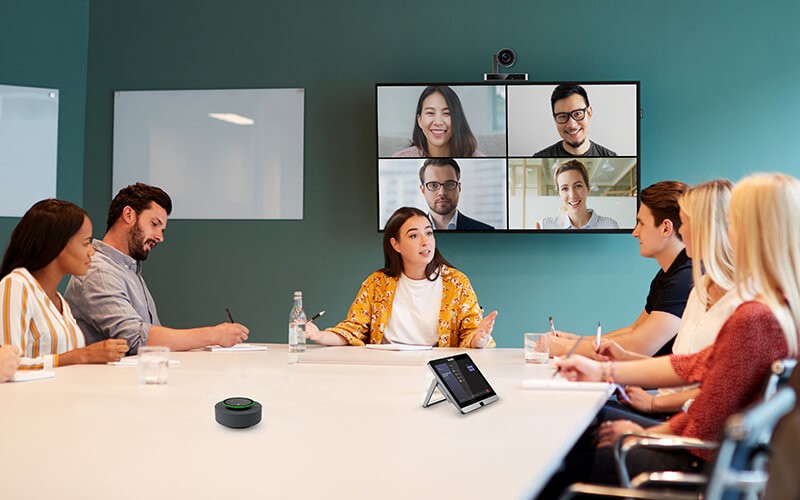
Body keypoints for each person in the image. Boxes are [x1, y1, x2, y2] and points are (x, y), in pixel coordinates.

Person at [537, 173, 800, 498]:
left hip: (693, 461)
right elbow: (693, 365)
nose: (726, 231)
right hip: (701, 455)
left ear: (753, 232)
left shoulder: (755, 319)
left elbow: (705, 419)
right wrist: (604, 370)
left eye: (733, 222)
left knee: (555, 467)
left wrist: (640, 434)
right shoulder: (778, 309)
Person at [599, 180, 742, 418]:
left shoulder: (737, 304)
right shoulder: (699, 290)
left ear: (706, 228)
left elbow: (717, 389)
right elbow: (685, 367)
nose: (681, 231)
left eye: (684, 223)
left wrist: (653, 403)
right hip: (671, 411)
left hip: (680, 420)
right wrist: (623, 359)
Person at [65, 183, 249, 354]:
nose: (160, 237)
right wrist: (214, 335)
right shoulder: (100, 273)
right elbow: (136, 340)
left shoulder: (128, 269)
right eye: (154, 224)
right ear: (128, 215)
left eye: (162, 229)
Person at [306, 206, 497, 347]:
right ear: (395, 244)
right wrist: (319, 335)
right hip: (386, 368)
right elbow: (353, 330)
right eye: (414, 236)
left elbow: (472, 335)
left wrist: (479, 339)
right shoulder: (377, 283)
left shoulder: (456, 282)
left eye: (429, 233)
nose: (425, 241)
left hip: (436, 368)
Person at [550, 181, 692, 358]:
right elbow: (634, 330)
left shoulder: (684, 278)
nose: (635, 232)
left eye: (641, 223)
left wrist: (565, 348)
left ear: (666, 228)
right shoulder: (668, 274)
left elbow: (639, 346)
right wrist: (574, 340)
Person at [0, 199, 129, 369]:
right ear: (57, 244)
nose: (91, 252)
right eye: (86, 243)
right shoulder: (16, 285)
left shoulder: (61, 302)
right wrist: (81, 356)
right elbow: (8, 365)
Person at [393, 86, 485, 158]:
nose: (438, 122)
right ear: (419, 120)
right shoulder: (400, 158)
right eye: (430, 113)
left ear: (457, 119)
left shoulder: (479, 159)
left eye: (446, 113)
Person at [534, 84, 616, 158]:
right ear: (555, 119)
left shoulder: (611, 157)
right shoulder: (540, 157)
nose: (572, 125)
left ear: (589, 113)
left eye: (577, 114)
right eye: (562, 116)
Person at [535, 159, 619, 229]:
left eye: (578, 186)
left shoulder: (609, 226)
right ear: (559, 194)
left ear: (588, 189)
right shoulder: (546, 226)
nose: (572, 195)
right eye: (564, 188)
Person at [419, 158, 494, 230]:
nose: (442, 193)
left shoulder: (487, 231)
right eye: (433, 185)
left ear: (459, 187)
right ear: (423, 190)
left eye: (449, 184)